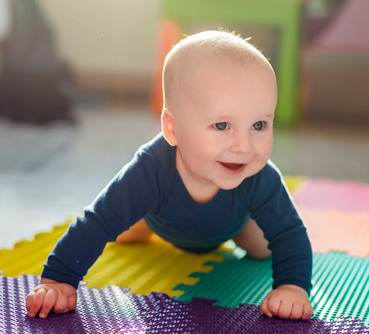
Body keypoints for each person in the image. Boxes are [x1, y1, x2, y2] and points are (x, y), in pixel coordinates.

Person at [25, 30, 313, 320]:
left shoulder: (260, 175)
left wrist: (293, 287)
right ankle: (141, 221)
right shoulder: (150, 169)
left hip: (233, 224)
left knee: (263, 248)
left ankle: (241, 227)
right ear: (172, 129)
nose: (244, 147)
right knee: (122, 226)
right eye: (222, 125)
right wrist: (58, 280)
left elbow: (290, 231)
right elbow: (96, 221)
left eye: (259, 125)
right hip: (160, 218)